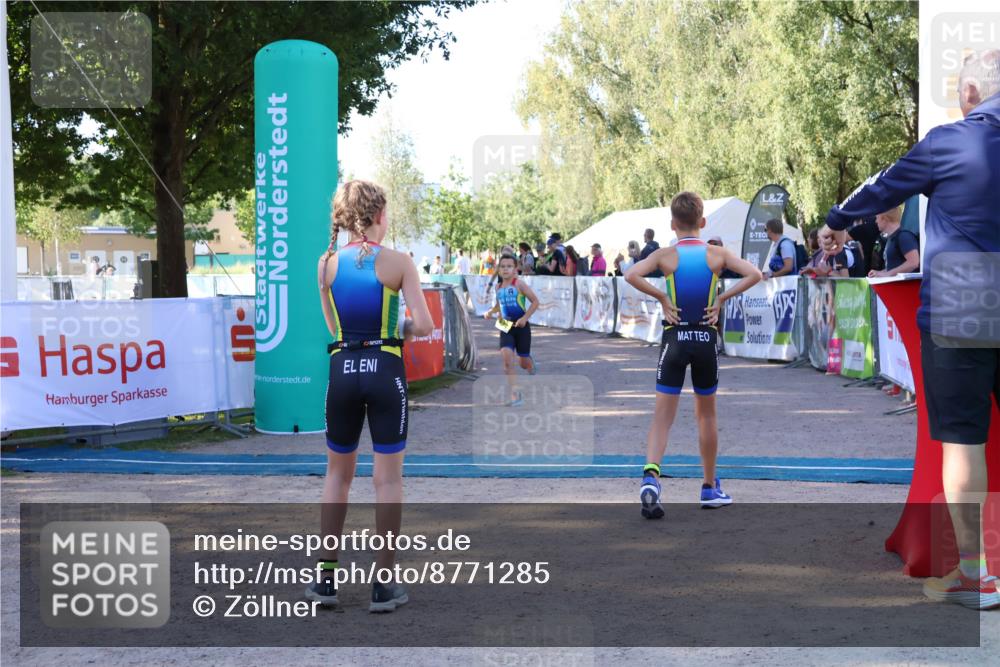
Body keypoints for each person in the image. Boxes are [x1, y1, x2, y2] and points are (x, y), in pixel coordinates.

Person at [820, 50, 1000, 611]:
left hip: (965, 294)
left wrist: (833, 220)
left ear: (971, 90)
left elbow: (879, 189)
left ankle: (977, 576)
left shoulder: (951, 140)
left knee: (964, 438)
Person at [310, 179, 433, 613]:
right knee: (388, 480)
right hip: (385, 370)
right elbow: (424, 324)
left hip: (342, 370)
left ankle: (326, 579)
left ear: (344, 219)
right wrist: (397, 329)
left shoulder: (326, 265)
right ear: (380, 215)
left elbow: (333, 331)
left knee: (336, 476)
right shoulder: (400, 262)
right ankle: (383, 584)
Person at [625, 191, 762, 518]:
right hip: (705, 339)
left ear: (672, 224)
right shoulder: (716, 254)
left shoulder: (665, 255)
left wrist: (661, 297)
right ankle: (709, 486)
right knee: (707, 415)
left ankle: (651, 476)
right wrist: (721, 298)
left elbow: (631, 275)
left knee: (662, 416)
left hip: (674, 338)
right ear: (702, 222)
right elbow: (755, 274)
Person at [483, 254, 539, 405]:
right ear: (499, 269)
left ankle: (530, 363)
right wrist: (491, 311)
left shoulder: (519, 285)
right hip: (505, 326)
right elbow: (499, 304)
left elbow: (535, 302)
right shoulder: (498, 287)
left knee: (523, 363)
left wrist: (524, 318)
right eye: (502, 266)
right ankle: (516, 396)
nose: (505, 269)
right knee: (507, 361)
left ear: (515, 269)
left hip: (521, 326)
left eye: (509, 266)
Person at [869, 206, 920, 278]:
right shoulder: (892, 238)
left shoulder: (903, 236)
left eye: (877, 218)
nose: (876, 221)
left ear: (885, 218)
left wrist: (887, 274)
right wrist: (879, 273)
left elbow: (914, 262)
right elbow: (894, 266)